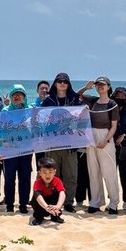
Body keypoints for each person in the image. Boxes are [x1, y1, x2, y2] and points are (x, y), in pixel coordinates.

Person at [41, 72, 83, 213]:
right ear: (55, 83)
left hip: (71, 144)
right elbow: (41, 120)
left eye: (65, 81)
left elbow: (81, 118)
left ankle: (69, 202)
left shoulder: (75, 99)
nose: (62, 83)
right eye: (59, 81)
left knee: (71, 174)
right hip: (53, 144)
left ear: (68, 84)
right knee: (52, 174)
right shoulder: (48, 101)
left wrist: (85, 110)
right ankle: (53, 201)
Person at [78, 76, 120, 215]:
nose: (100, 87)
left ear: (108, 87)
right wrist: (86, 87)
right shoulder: (93, 100)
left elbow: (114, 126)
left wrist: (106, 140)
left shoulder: (112, 104)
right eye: (98, 85)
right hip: (91, 137)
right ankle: (96, 202)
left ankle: (113, 203)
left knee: (109, 172)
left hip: (105, 136)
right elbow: (76, 95)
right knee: (93, 171)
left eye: (103, 84)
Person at [0, 84, 34, 214]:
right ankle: (9, 204)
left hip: (26, 149)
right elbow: (1, 131)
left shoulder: (30, 110)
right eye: (14, 94)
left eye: (20, 94)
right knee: (9, 177)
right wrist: (2, 149)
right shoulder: (5, 111)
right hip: (10, 149)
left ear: (24, 97)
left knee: (25, 177)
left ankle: (23, 204)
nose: (17, 96)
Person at [30, 157, 66, 226]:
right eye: (44, 172)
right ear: (40, 173)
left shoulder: (57, 181)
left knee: (58, 193)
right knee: (36, 195)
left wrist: (58, 206)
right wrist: (46, 207)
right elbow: (38, 197)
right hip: (42, 204)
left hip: (53, 205)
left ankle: (55, 216)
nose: (47, 175)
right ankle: (39, 218)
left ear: (54, 172)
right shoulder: (37, 182)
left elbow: (62, 193)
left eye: (50, 172)